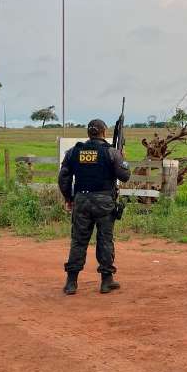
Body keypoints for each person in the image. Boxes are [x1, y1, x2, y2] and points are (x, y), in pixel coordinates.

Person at [58, 119, 130, 295]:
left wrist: (69, 197)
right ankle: (106, 281)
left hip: (81, 200)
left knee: (78, 241)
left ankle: (71, 283)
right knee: (105, 240)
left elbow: (64, 178)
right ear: (104, 132)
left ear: (89, 133)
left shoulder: (74, 151)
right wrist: (122, 157)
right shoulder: (111, 153)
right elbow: (125, 176)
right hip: (105, 201)